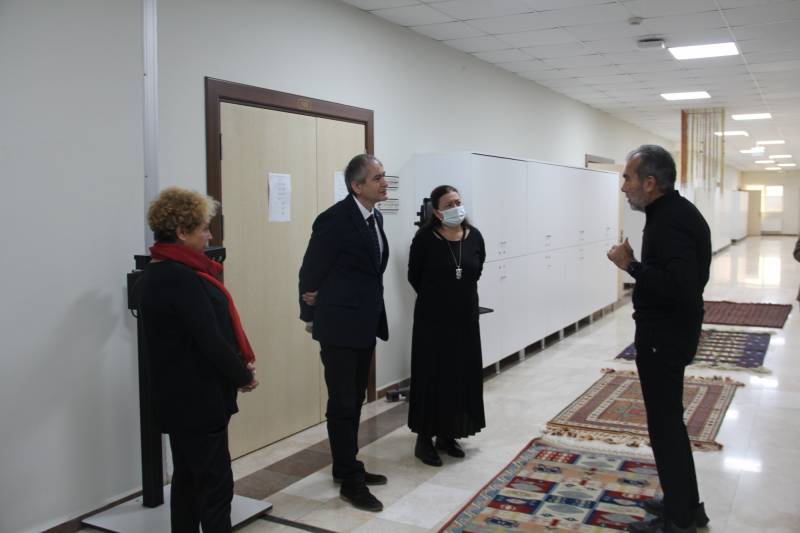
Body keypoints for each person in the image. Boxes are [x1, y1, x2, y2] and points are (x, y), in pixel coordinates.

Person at [136, 187, 259, 533]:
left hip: (177, 400)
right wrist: (242, 375)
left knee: (188, 481)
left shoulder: (155, 274)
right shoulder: (181, 279)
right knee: (215, 487)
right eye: (204, 229)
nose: (209, 237)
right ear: (181, 232)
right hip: (199, 400)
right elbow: (210, 340)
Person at [607, 145, 711, 533]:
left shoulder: (670, 222)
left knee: (665, 427)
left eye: (628, 178)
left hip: (664, 337)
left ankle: (680, 520)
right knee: (668, 424)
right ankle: (685, 505)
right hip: (669, 332)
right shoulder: (672, 213)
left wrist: (630, 265)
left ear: (650, 182)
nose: (624, 187)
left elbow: (680, 287)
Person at [298, 154, 389, 512]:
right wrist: (311, 315)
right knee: (343, 402)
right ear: (357, 185)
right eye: (377, 178)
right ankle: (350, 481)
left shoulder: (375, 217)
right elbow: (310, 272)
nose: (384, 183)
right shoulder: (334, 220)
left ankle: (345, 465)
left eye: (384, 176)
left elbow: (365, 271)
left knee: (356, 398)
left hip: (364, 323)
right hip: (338, 326)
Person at [407, 185, 486, 467]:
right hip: (433, 320)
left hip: (465, 319)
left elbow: (478, 268)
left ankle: (448, 434)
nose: (456, 207)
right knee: (432, 375)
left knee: (460, 375)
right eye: (449, 204)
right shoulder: (425, 238)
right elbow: (414, 276)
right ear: (438, 212)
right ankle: (424, 438)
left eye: (458, 202)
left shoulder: (474, 236)